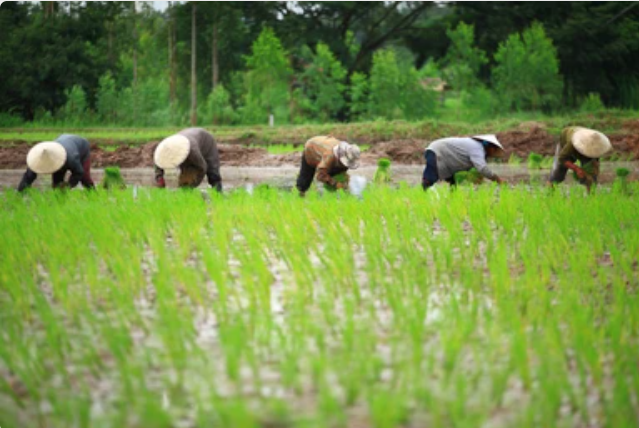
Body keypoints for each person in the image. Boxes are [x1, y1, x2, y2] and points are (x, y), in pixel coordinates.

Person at [422, 134, 506, 190]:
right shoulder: (477, 148)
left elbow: (475, 170)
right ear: (490, 147)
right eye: (494, 150)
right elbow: (482, 168)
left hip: (445, 157)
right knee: (429, 179)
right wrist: (497, 179)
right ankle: (423, 199)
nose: (493, 153)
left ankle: (451, 202)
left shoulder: (476, 148)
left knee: (453, 185)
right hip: (438, 151)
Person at [18, 134, 95, 192]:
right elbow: (28, 177)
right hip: (63, 142)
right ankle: (60, 201)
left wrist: (68, 186)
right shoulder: (37, 159)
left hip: (81, 147)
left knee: (85, 178)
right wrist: (20, 192)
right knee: (57, 184)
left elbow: (79, 172)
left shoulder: (71, 158)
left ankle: (94, 196)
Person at [154, 128, 222, 191]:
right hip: (186, 139)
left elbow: (202, 168)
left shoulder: (193, 151)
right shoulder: (163, 149)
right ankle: (184, 190)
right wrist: (160, 179)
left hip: (206, 143)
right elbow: (159, 164)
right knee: (184, 177)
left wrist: (192, 185)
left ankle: (218, 193)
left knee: (213, 173)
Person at [548, 126, 611, 193]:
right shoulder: (572, 143)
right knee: (558, 172)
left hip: (584, 145)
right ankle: (549, 193)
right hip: (565, 143)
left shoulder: (596, 147)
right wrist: (577, 169)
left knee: (591, 173)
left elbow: (595, 166)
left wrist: (592, 172)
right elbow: (562, 158)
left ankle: (591, 197)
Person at [296, 135, 361, 196]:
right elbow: (320, 176)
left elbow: (343, 169)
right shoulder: (329, 156)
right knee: (306, 176)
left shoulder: (347, 151)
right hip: (311, 148)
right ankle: (301, 194)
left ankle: (340, 195)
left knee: (339, 174)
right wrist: (335, 183)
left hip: (325, 145)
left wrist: (345, 179)